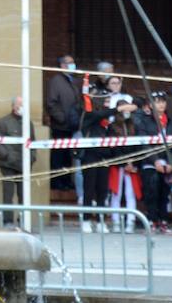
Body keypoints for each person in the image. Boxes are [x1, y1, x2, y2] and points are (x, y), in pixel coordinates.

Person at [78, 84, 118, 233]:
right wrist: (119, 109)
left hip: (104, 158)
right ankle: (86, 219)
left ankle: (101, 220)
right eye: (106, 102)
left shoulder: (107, 123)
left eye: (109, 102)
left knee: (102, 190)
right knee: (89, 189)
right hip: (90, 157)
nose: (108, 105)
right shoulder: (89, 116)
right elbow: (99, 115)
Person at [133, 92, 172, 233]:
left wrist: (171, 162)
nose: (161, 104)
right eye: (157, 102)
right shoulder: (144, 121)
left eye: (162, 101)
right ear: (150, 105)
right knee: (151, 191)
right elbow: (144, 143)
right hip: (150, 162)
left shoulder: (171, 121)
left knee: (164, 192)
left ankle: (163, 220)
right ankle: (151, 220)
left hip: (167, 163)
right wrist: (155, 161)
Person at [0, 96, 35, 225]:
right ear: (13, 106)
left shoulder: (28, 123)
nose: (21, 107)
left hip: (24, 164)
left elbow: (32, 143)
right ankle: (8, 220)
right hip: (8, 164)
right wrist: (6, 155)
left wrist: (32, 158)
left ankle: (23, 220)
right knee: (8, 194)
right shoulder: (3, 122)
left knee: (24, 194)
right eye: (19, 105)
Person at [105, 95, 141, 233]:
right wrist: (123, 162)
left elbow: (138, 145)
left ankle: (130, 221)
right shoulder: (112, 127)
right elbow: (112, 147)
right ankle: (115, 221)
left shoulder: (135, 126)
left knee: (130, 193)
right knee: (116, 193)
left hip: (132, 165)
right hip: (118, 165)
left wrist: (133, 162)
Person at [45, 54, 81, 193]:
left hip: (72, 125)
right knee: (59, 155)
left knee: (68, 155)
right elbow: (51, 103)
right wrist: (62, 119)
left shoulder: (72, 81)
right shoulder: (56, 81)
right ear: (62, 65)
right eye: (70, 63)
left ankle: (66, 180)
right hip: (61, 125)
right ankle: (57, 181)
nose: (73, 65)